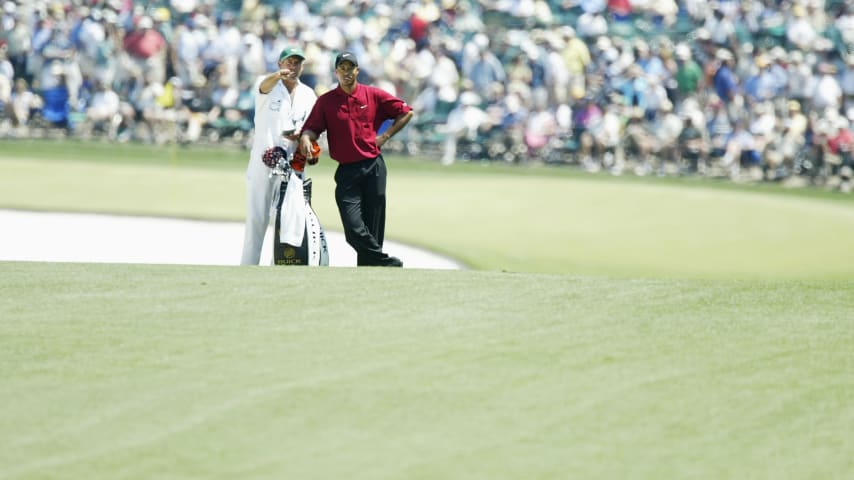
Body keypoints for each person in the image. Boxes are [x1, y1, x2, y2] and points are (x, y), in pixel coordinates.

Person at [298, 51, 413, 267]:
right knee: (353, 230)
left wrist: (386, 136)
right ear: (336, 72)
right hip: (347, 171)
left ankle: (371, 272)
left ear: (357, 70)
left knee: (374, 226)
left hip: (374, 167)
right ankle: (384, 262)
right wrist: (305, 139)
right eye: (342, 68)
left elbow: (406, 112)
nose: (346, 72)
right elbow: (311, 129)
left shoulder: (373, 95)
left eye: (350, 67)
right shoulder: (327, 102)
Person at [240, 46, 317, 265]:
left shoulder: (308, 94)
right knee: (257, 218)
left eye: (297, 63)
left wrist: (304, 140)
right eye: (289, 62)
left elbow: (310, 128)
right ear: (280, 64)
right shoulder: (268, 85)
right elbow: (263, 86)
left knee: (286, 220)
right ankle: (247, 267)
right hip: (264, 162)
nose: (293, 66)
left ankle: (278, 266)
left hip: (293, 164)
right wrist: (277, 76)